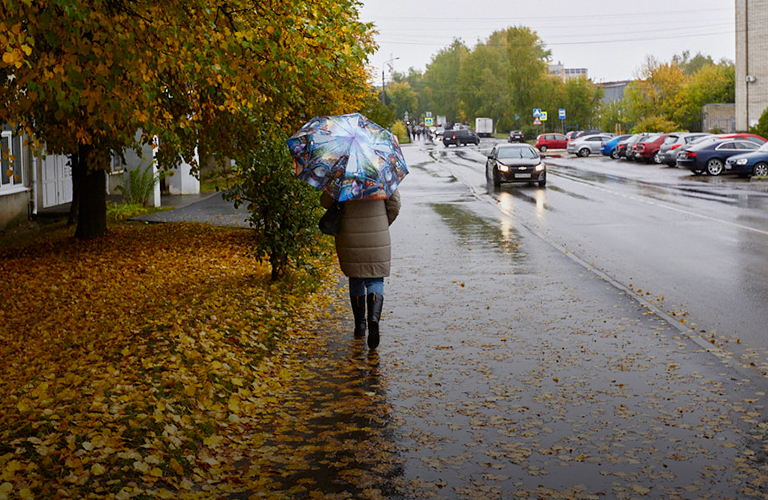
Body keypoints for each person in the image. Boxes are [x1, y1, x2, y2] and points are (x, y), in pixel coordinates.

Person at [321, 189, 401, 349]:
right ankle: (373, 318)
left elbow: (325, 202)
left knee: (355, 277)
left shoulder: (343, 177)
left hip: (349, 233)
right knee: (376, 278)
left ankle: (360, 326)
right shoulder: (380, 175)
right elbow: (395, 205)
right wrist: (383, 223)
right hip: (377, 234)